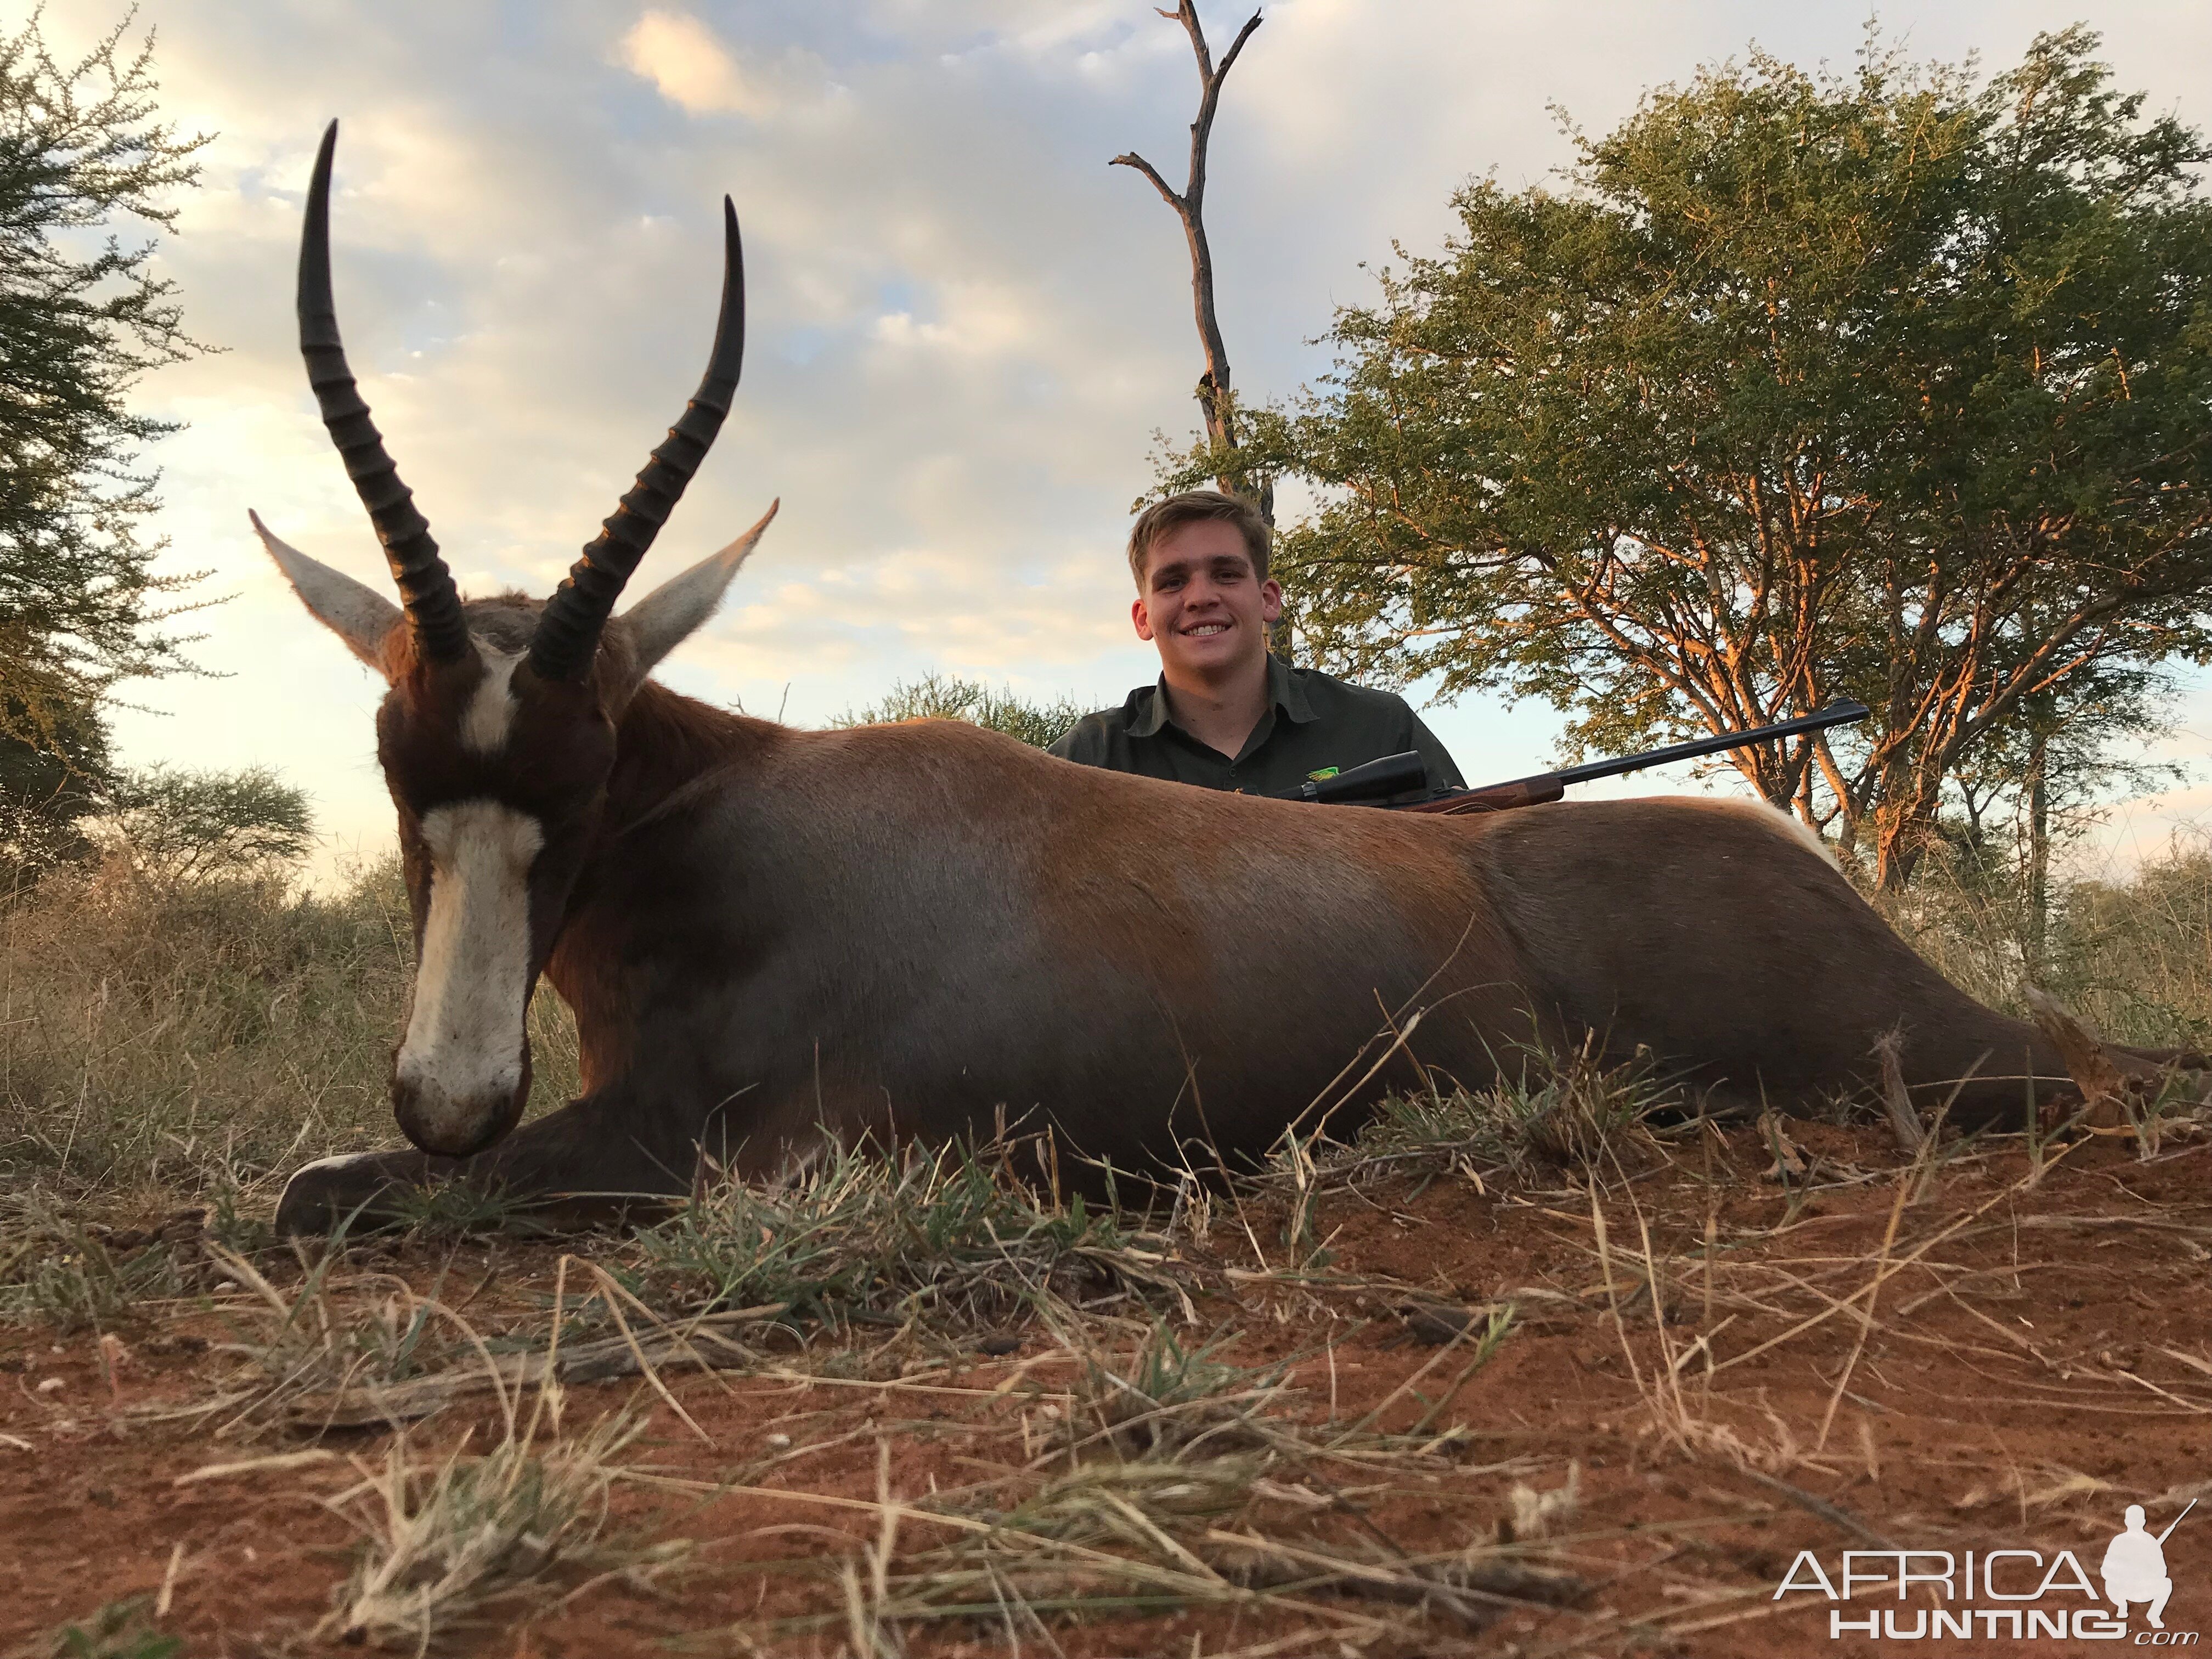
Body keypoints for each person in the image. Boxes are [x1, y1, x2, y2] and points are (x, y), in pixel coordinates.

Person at [1051, 490, 1465, 798]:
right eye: (1173, 582)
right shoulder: (1091, 757)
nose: (1200, 598)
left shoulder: (1381, 727)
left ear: (1268, 599)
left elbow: (1475, 871)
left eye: (1226, 574)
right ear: (1143, 618)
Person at [2102, 1504, 2175, 1628]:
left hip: (2144, 1589)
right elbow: (2106, 1571)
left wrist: (2146, 1570)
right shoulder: (2119, 1541)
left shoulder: (2151, 1542)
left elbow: (2162, 1571)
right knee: (2109, 1583)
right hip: (2122, 1589)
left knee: (2166, 1583)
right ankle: (2122, 1605)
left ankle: (2154, 1615)